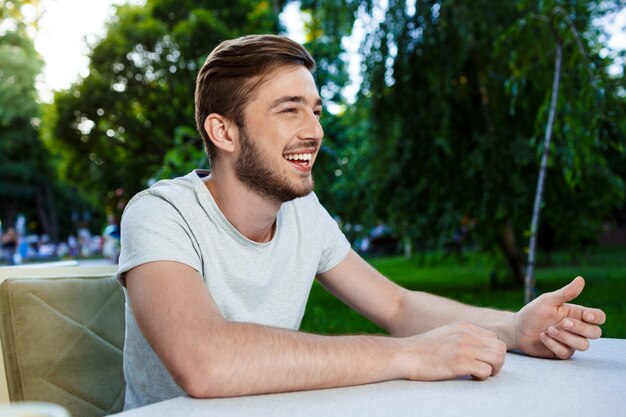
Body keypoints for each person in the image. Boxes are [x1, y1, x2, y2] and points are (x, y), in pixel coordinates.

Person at [117, 34, 606, 410]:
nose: (314, 131)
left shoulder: (303, 213)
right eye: (289, 111)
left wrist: (513, 328)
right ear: (222, 130)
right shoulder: (161, 212)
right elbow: (206, 362)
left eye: (314, 110)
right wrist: (409, 355)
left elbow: (396, 305)